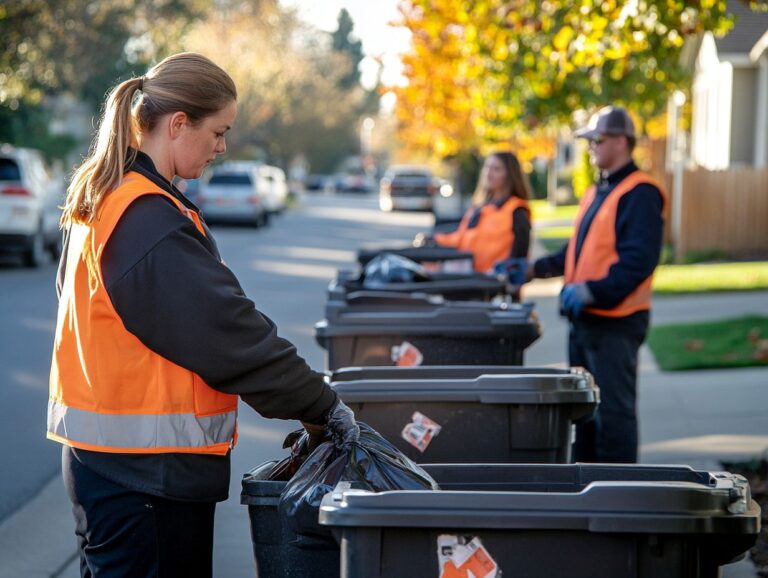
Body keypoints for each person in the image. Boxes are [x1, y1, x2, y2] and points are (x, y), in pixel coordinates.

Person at [47, 52, 358, 578]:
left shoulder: (111, 200)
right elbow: (228, 333)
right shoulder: (146, 218)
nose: (222, 147)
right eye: (218, 131)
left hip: (114, 467)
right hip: (146, 479)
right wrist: (321, 406)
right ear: (177, 124)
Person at [528, 106, 666, 464]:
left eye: (597, 139)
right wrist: (533, 269)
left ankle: (616, 498)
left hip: (615, 323)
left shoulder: (639, 193)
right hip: (586, 321)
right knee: (584, 416)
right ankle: (586, 493)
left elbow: (639, 261)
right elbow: (575, 251)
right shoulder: (598, 191)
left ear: (622, 142)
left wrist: (591, 291)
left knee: (613, 417)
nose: (590, 147)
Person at [432, 151, 531, 274]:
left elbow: (518, 258)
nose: (489, 174)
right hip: (470, 275)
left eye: (496, 169)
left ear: (510, 175)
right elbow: (462, 239)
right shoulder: (480, 207)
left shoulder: (516, 210)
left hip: (493, 282)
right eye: (487, 167)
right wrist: (436, 240)